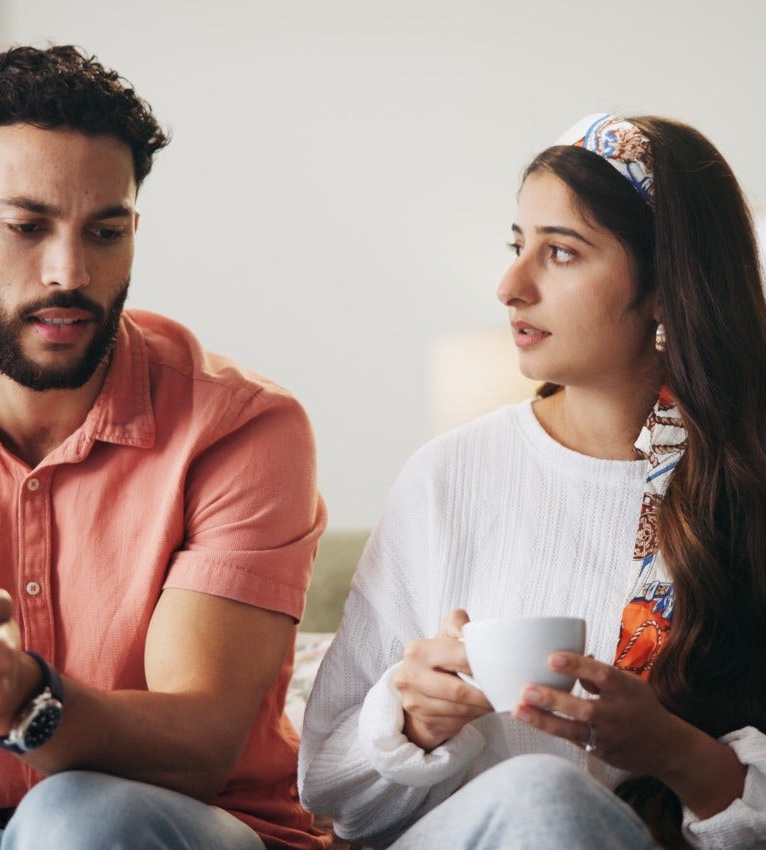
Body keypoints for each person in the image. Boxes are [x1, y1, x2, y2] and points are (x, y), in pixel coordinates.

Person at [298, 112, 766, 850]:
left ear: (667, 286)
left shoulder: (747, 488)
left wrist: (674, 753)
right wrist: (413, 722)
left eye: (561, 253)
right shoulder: (449, 477)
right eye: (518, 246)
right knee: (537, 793)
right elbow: (329, 792)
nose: (510, 286)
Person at [0, 44, 329, 850]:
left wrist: (19, 699)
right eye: (27, 227)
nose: (69, 271)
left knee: (77, 817)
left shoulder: (241, 429)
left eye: (105, 231)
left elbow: (197, 747)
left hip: (164, 824)